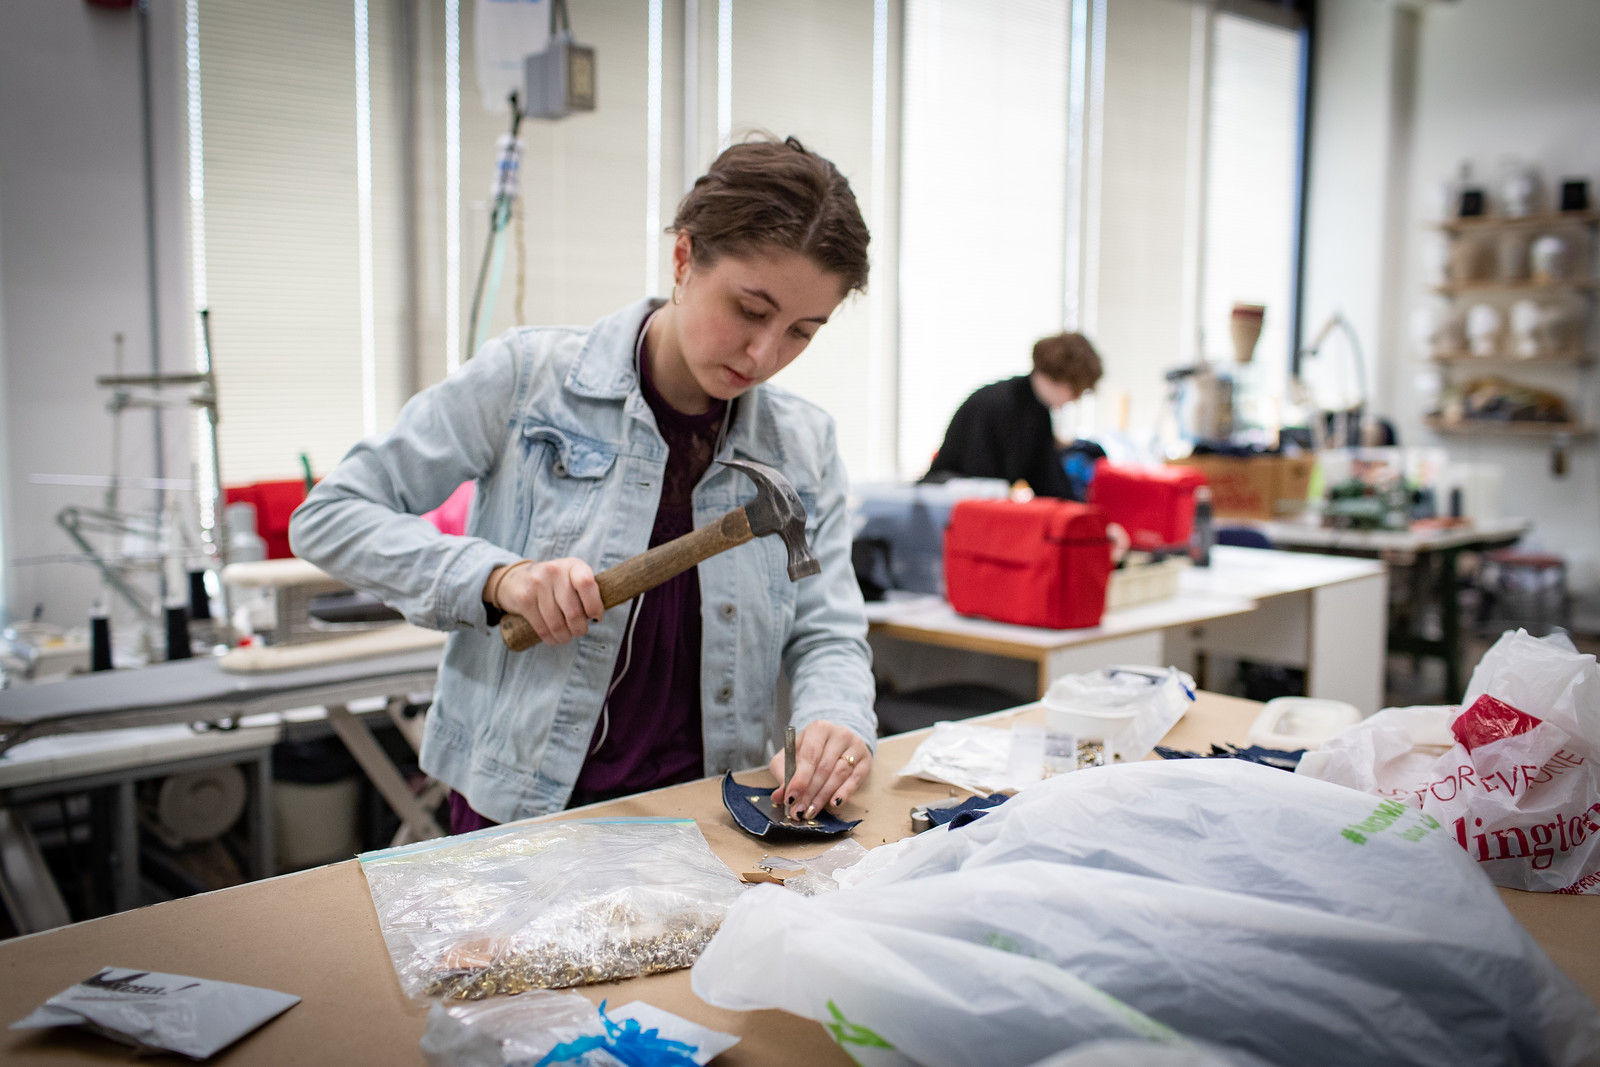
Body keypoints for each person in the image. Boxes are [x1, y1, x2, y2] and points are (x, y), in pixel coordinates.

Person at [289, 137, 877, 833]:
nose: (765, 354)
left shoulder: (802, 444)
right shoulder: (529, 379)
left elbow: (829, 630)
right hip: (522, 812)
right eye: (750, 310)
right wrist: (497, 577)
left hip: (705, 817)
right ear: (684, 259)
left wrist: (835, 717)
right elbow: (330, 514)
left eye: (801, 331)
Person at [923, 332, 1103, 498]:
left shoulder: (1038, 411)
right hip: (948, 503)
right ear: (1061, 379)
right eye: (1075, 391)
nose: (1074, 399)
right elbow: (982, 480)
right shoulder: (997, 403)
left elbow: (1049, 480)